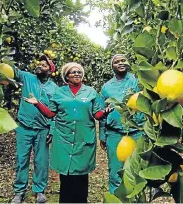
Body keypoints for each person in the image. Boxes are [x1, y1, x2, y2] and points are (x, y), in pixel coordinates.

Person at [24, 62, 114, 203]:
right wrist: (37, 104)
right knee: (66, 179)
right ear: (66, 76)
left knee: (81, 178)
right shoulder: (59, 92)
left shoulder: (90, 92)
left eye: (79, 72)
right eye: (73, 72)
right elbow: (50, 114)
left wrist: (105, 112)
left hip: (83, 139)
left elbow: (96, 115)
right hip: (63, 140)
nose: (77, 74)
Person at [11, 55, 58, 204]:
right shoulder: (27, 77)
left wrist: (52, 129)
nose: (39, 66)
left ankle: (39, 190)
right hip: (24, 127)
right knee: (21, 159)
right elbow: (12, 70)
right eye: (40, 63)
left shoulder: (54, 88)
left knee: (41, 161)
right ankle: (19, 191)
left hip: (43, 129)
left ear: (50, 71)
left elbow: (56, 111)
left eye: (44, 65)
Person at [99, 54, 145, 194]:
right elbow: (102, 113)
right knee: (115, 170)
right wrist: (102, 134)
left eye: (123, 60)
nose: (121, 63)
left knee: (137, 169)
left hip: (136, 131)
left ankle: (136, 198)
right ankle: (116, 197)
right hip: (114, 134)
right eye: (117, 62)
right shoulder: (106, 87)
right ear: (112, 66)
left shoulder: (138, 81)